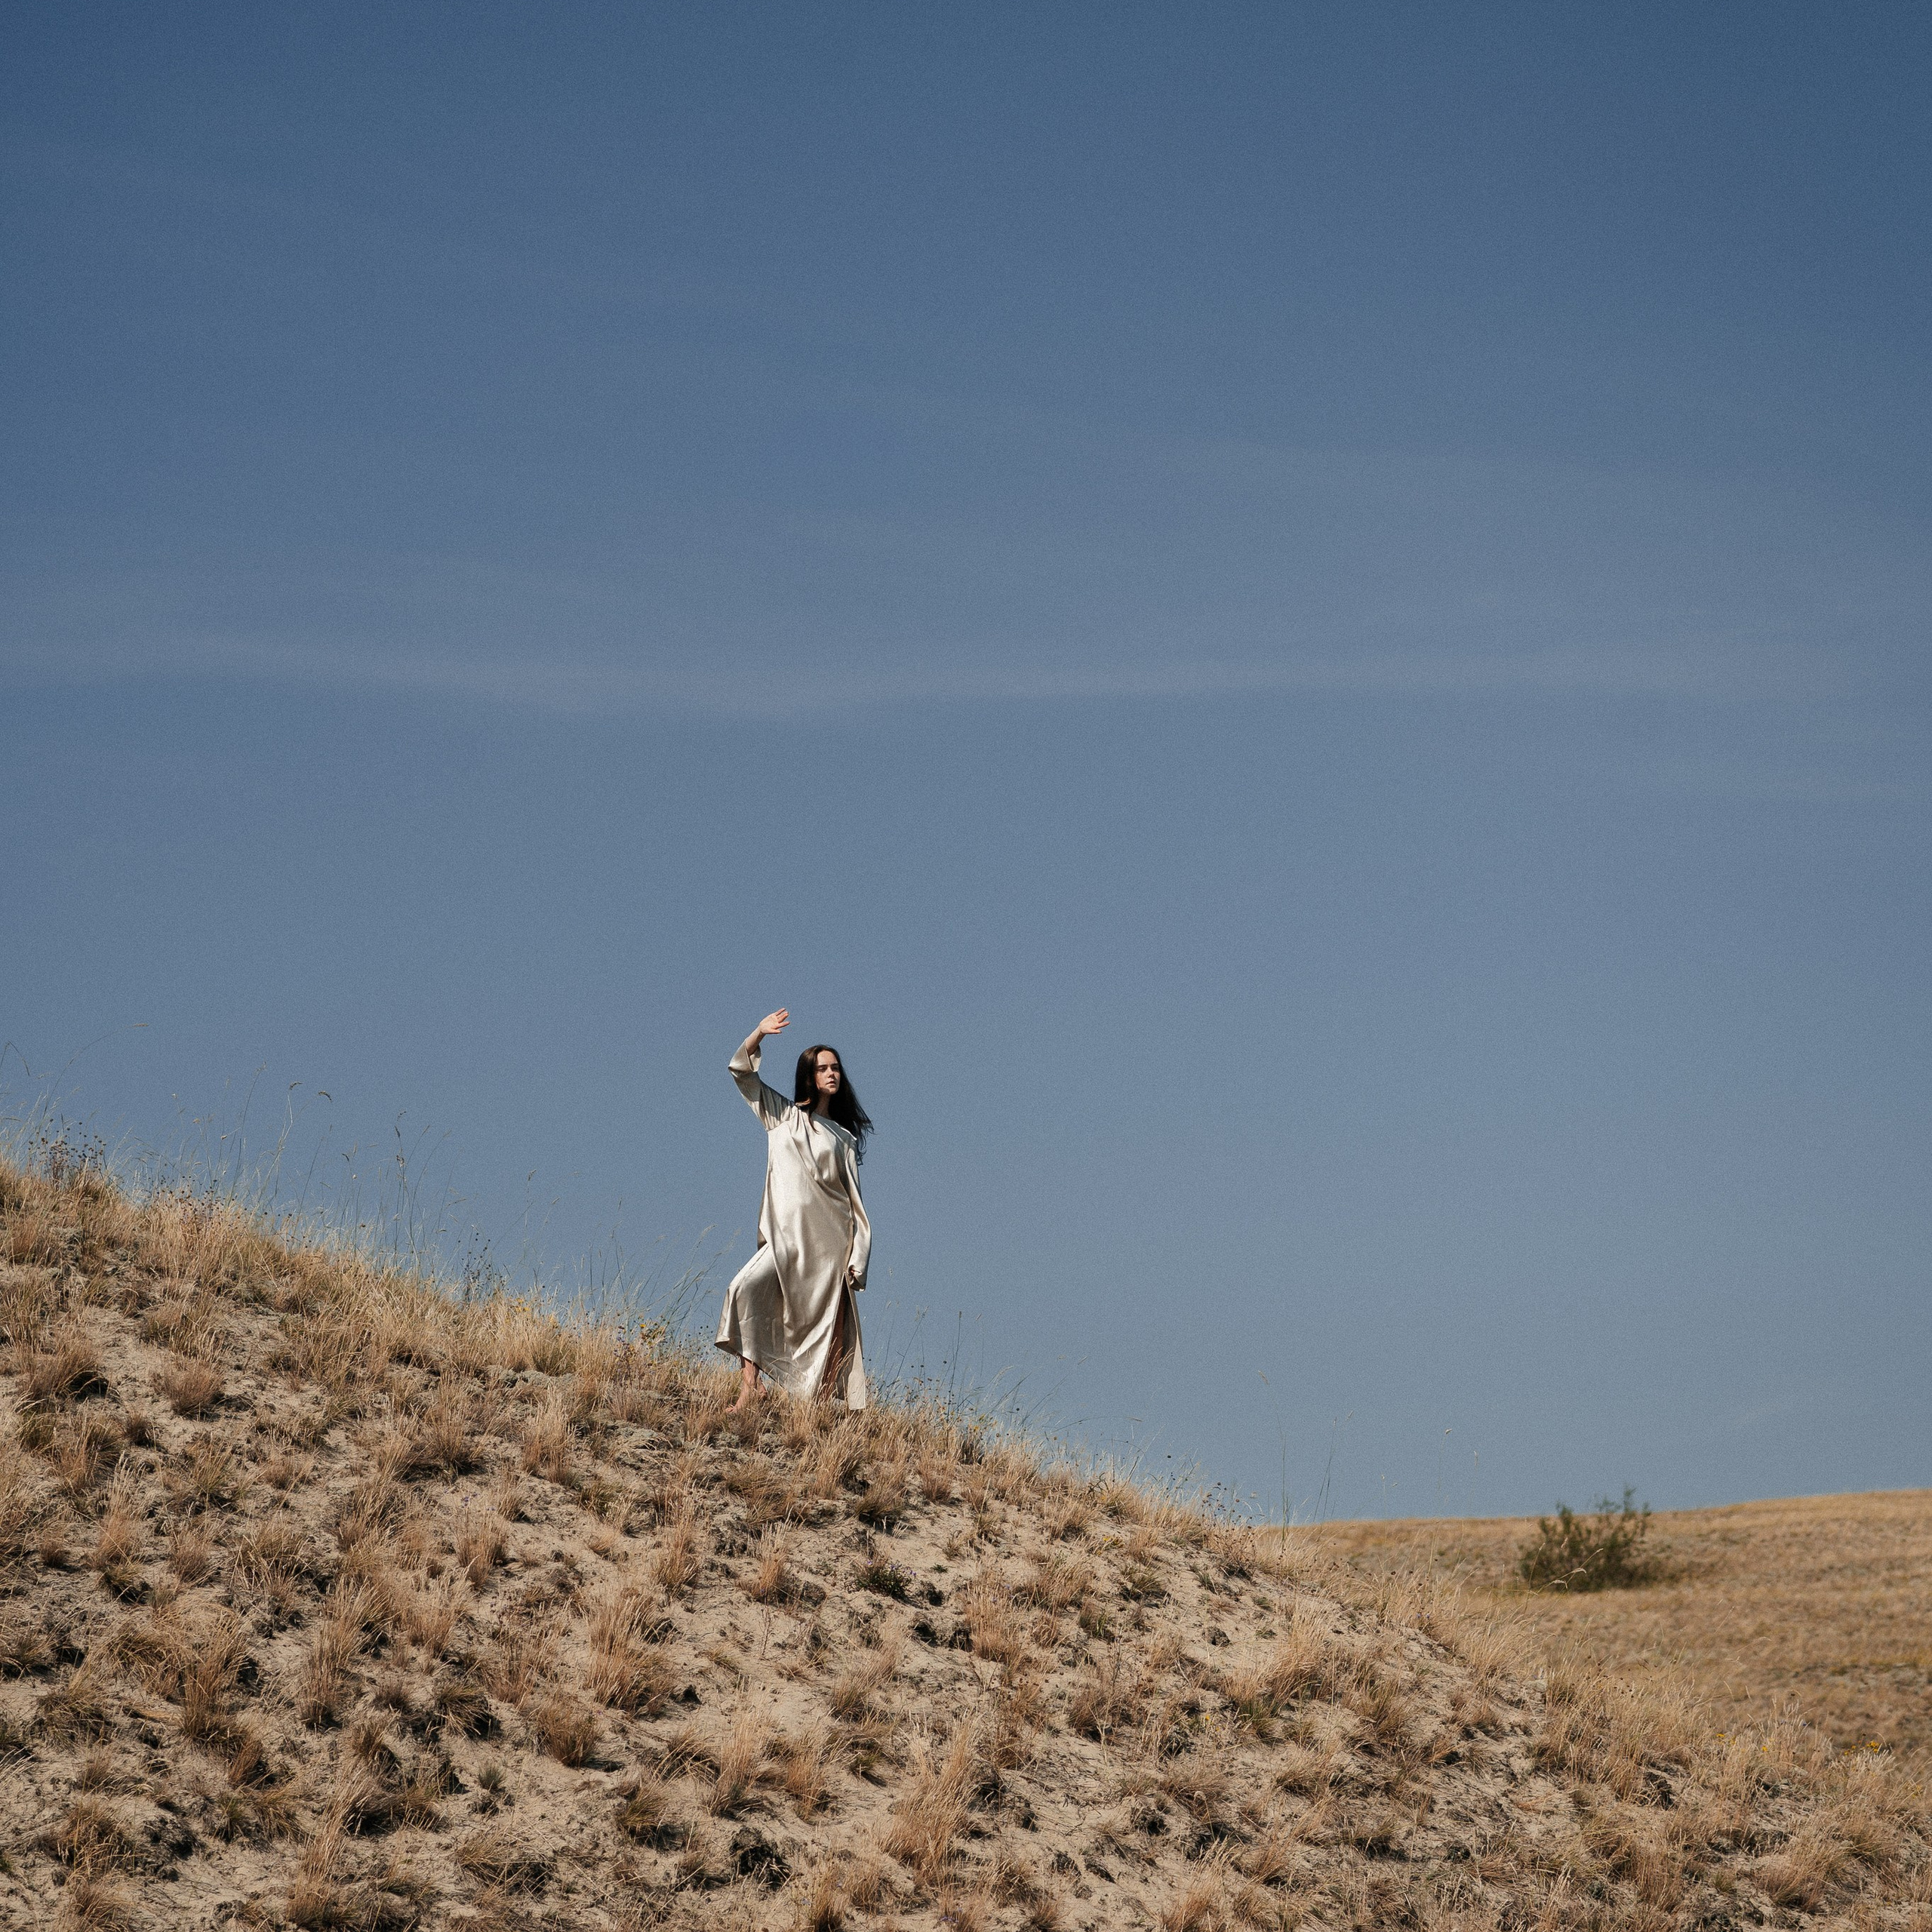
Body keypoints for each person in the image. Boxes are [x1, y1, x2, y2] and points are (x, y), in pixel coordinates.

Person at [716, 1008, 872, 1411]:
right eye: (823, 1069)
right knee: (744, 1288)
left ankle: (817, 1407)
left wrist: (858, 1257)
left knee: (827, 1329)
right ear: (810, 1075)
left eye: (836, 1068)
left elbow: (854, 1203)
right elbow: (741, 1073)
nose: (832, 1074)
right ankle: (750, 1386)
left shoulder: (845, 1139)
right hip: (787, 1238)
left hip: (829, 1243)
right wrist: (759, 1034)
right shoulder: (782, 1116)